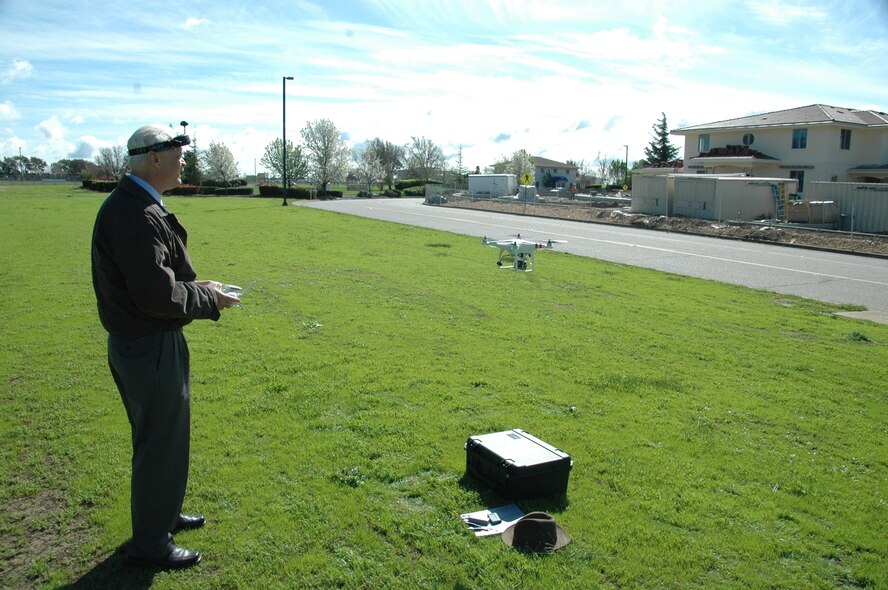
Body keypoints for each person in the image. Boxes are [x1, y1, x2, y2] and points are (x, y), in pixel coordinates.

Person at [91, 125, 241, 569]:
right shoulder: (134, 214)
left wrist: (201, 285)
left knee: (163, 441)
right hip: (149, 346)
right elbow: (158, 296)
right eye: (176, 154)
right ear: (151, 158)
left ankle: (164, 514)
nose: (182, 161)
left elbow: (163, 280)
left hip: (148, 344)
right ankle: (151, 542)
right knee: (160, 443)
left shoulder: (138, 206)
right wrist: (209, 297)